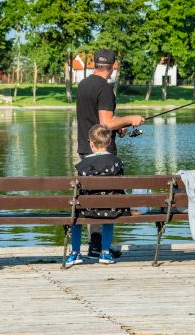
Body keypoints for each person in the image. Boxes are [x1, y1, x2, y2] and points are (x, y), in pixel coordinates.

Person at [75, 49, 145, 258]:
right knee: (106, 199)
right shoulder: (105, 88)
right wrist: (131, 119)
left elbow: (98, 121)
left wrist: (118, 126)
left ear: (95, 64)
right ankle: (100, 247)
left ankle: (94, 245)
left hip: (86, 148)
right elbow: (106, 122)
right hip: (104, 152)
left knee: (91, 198)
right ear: (113, 66)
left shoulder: (84, 84)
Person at [66, 124, 128, 266]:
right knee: (109, 211)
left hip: (88, 209)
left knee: (75, 215)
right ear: (109, 142)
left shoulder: (82, 165)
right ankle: (105, 252)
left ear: (91, 143)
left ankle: (75, 252)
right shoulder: (117, 163)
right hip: (112, 209)